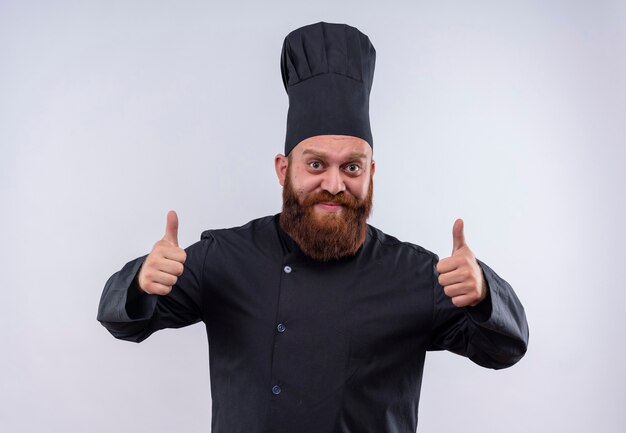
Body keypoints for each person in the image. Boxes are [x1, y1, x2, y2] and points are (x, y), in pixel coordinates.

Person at [97, 21, 528, 433]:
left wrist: (485, 293)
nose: (334, 185)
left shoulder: (416, 273)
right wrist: (139, 281)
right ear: (284, 169)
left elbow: (506, 349)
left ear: (371, 173)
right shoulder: (224, 259)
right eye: (317, 164)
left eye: (352, 167)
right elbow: (125, 322)